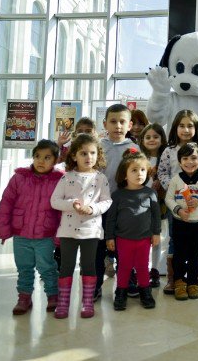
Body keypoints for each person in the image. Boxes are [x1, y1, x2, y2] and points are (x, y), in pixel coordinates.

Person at [0, 140, 64, 315]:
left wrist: (59, 235)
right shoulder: (19, 178)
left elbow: (62, 212)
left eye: (47, 157)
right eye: (37, 156)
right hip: (21, 235)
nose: (41, 161)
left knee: (46, 267)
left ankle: (53, 296)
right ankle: (24, 297)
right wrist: (3, 229)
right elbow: (6, 203)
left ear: (55, 160)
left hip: (45, 235)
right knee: (24, 267)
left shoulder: (59, 181)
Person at [50, 134, 112, 319]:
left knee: (89, 266)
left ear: (98, 155)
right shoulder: (66, 177)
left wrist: (92, 208)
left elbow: (107, 200)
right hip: (68, 231)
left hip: (91, 231)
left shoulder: (101, 178)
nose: (88, 157)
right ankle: (63, 303)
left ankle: (87, 302)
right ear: (74, 155)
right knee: (66, 266)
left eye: (92, 153)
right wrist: (73, 205)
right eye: (83, 153)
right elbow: (54, 201)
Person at [157, 110, 198, 294]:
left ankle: (194, 278)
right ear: (175, 128)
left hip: (197, 208)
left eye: (190, 125)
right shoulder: (169, 150)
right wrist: (174, 187)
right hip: (176, 204)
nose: (185, 129)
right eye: (181, 125)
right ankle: (174, 279)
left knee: (195, 243)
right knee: (175, 241)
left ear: (196, 128)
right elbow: (162, 172)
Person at [105, 149, 162, 311]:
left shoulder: (150, 194)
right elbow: (111, 219)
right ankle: (121, 292)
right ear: (124, 174)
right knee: (124, 267)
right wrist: (109, 238)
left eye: (143, 170)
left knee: (143, 267)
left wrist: (156, 233)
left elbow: (156, 215)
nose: (139, 174)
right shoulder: (118, 195)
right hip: (123, 239)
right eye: (134, 170)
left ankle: (145, 291)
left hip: (144, 239)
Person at [165, 142, 198, 300]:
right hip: (179, 222)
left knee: (195, 254)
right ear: (180, 162)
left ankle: (193, 283)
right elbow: (168, 199)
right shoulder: (176, 179)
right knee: (179, 253)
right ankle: (179, 283)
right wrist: (179, 210)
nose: (190, 162)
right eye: (185, 158)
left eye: (194, 158)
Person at [97, 104, 140, 300]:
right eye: (113, 122)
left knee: (125, 246)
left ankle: (127, 281)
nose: (118, 126)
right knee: (98, 247)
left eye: (122, 122)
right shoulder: (98, 147)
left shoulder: (134, 148)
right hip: (99, 206)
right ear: (105, 123)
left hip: (124, 207)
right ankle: (95, 284)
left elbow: (140, 175)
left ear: (129, 125)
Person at [139, 123, 168, 288]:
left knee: (157, 236)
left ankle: (155, 270)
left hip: (160, 203)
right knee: (142, 238)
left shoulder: (165, 157)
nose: (151, 140)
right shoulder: (139, 157)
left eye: (155, 137)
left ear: (162, 139)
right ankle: (141, 269)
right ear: (142, 140)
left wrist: (160, 181)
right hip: (141, 204)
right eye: (148, 137)